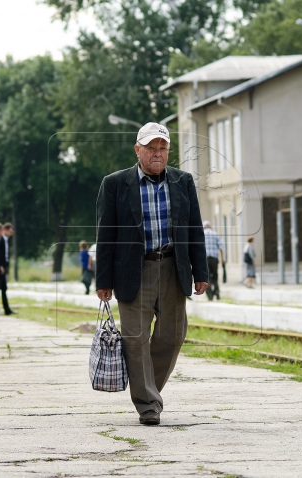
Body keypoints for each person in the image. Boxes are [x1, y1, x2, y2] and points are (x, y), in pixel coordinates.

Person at [96, 122, 208, 426]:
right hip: (134, 270)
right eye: (150, 147)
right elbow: (106, 234)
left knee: (173, 336)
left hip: (173, 266)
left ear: (168, 151)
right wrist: (103, 280)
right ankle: (148, 404)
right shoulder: (116, 183)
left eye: (162, 148)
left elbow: (194, 228)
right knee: (135, 339)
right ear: (138, 150)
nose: (157, 153)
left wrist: (201, 271)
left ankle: (147, 389)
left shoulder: (183, 181)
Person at [203, 221, 225, 301]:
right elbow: (221, 247)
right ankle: (217, 291)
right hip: (214, 259)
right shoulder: (215, 234)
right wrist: (223, 258)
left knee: (206, 277)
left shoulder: (202, 234)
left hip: (205, 259)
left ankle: (210, 296)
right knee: (215, 276)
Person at [0, 222, 15, 315]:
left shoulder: (5, 240)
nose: (11, 234)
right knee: (1, 287)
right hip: (1, 266)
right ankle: (5, 309)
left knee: (3, 288)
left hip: (4, 266)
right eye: (10, 231)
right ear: (5, 230)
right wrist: (0, 266)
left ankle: (6, 308)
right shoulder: (1, 240)